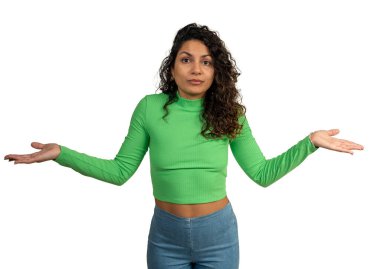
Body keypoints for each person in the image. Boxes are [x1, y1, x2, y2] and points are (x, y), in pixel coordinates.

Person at [4, 23, 364, 269]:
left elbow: (262, 173)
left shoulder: (231, 114)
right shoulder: (149, 107)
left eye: (206, 62)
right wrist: (61, 155)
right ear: (172, 67)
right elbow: (119, 172)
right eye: (186, 59)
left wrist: (310, 143)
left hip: (219, 235)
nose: (196, 69)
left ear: (216, 71)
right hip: (166, 236)